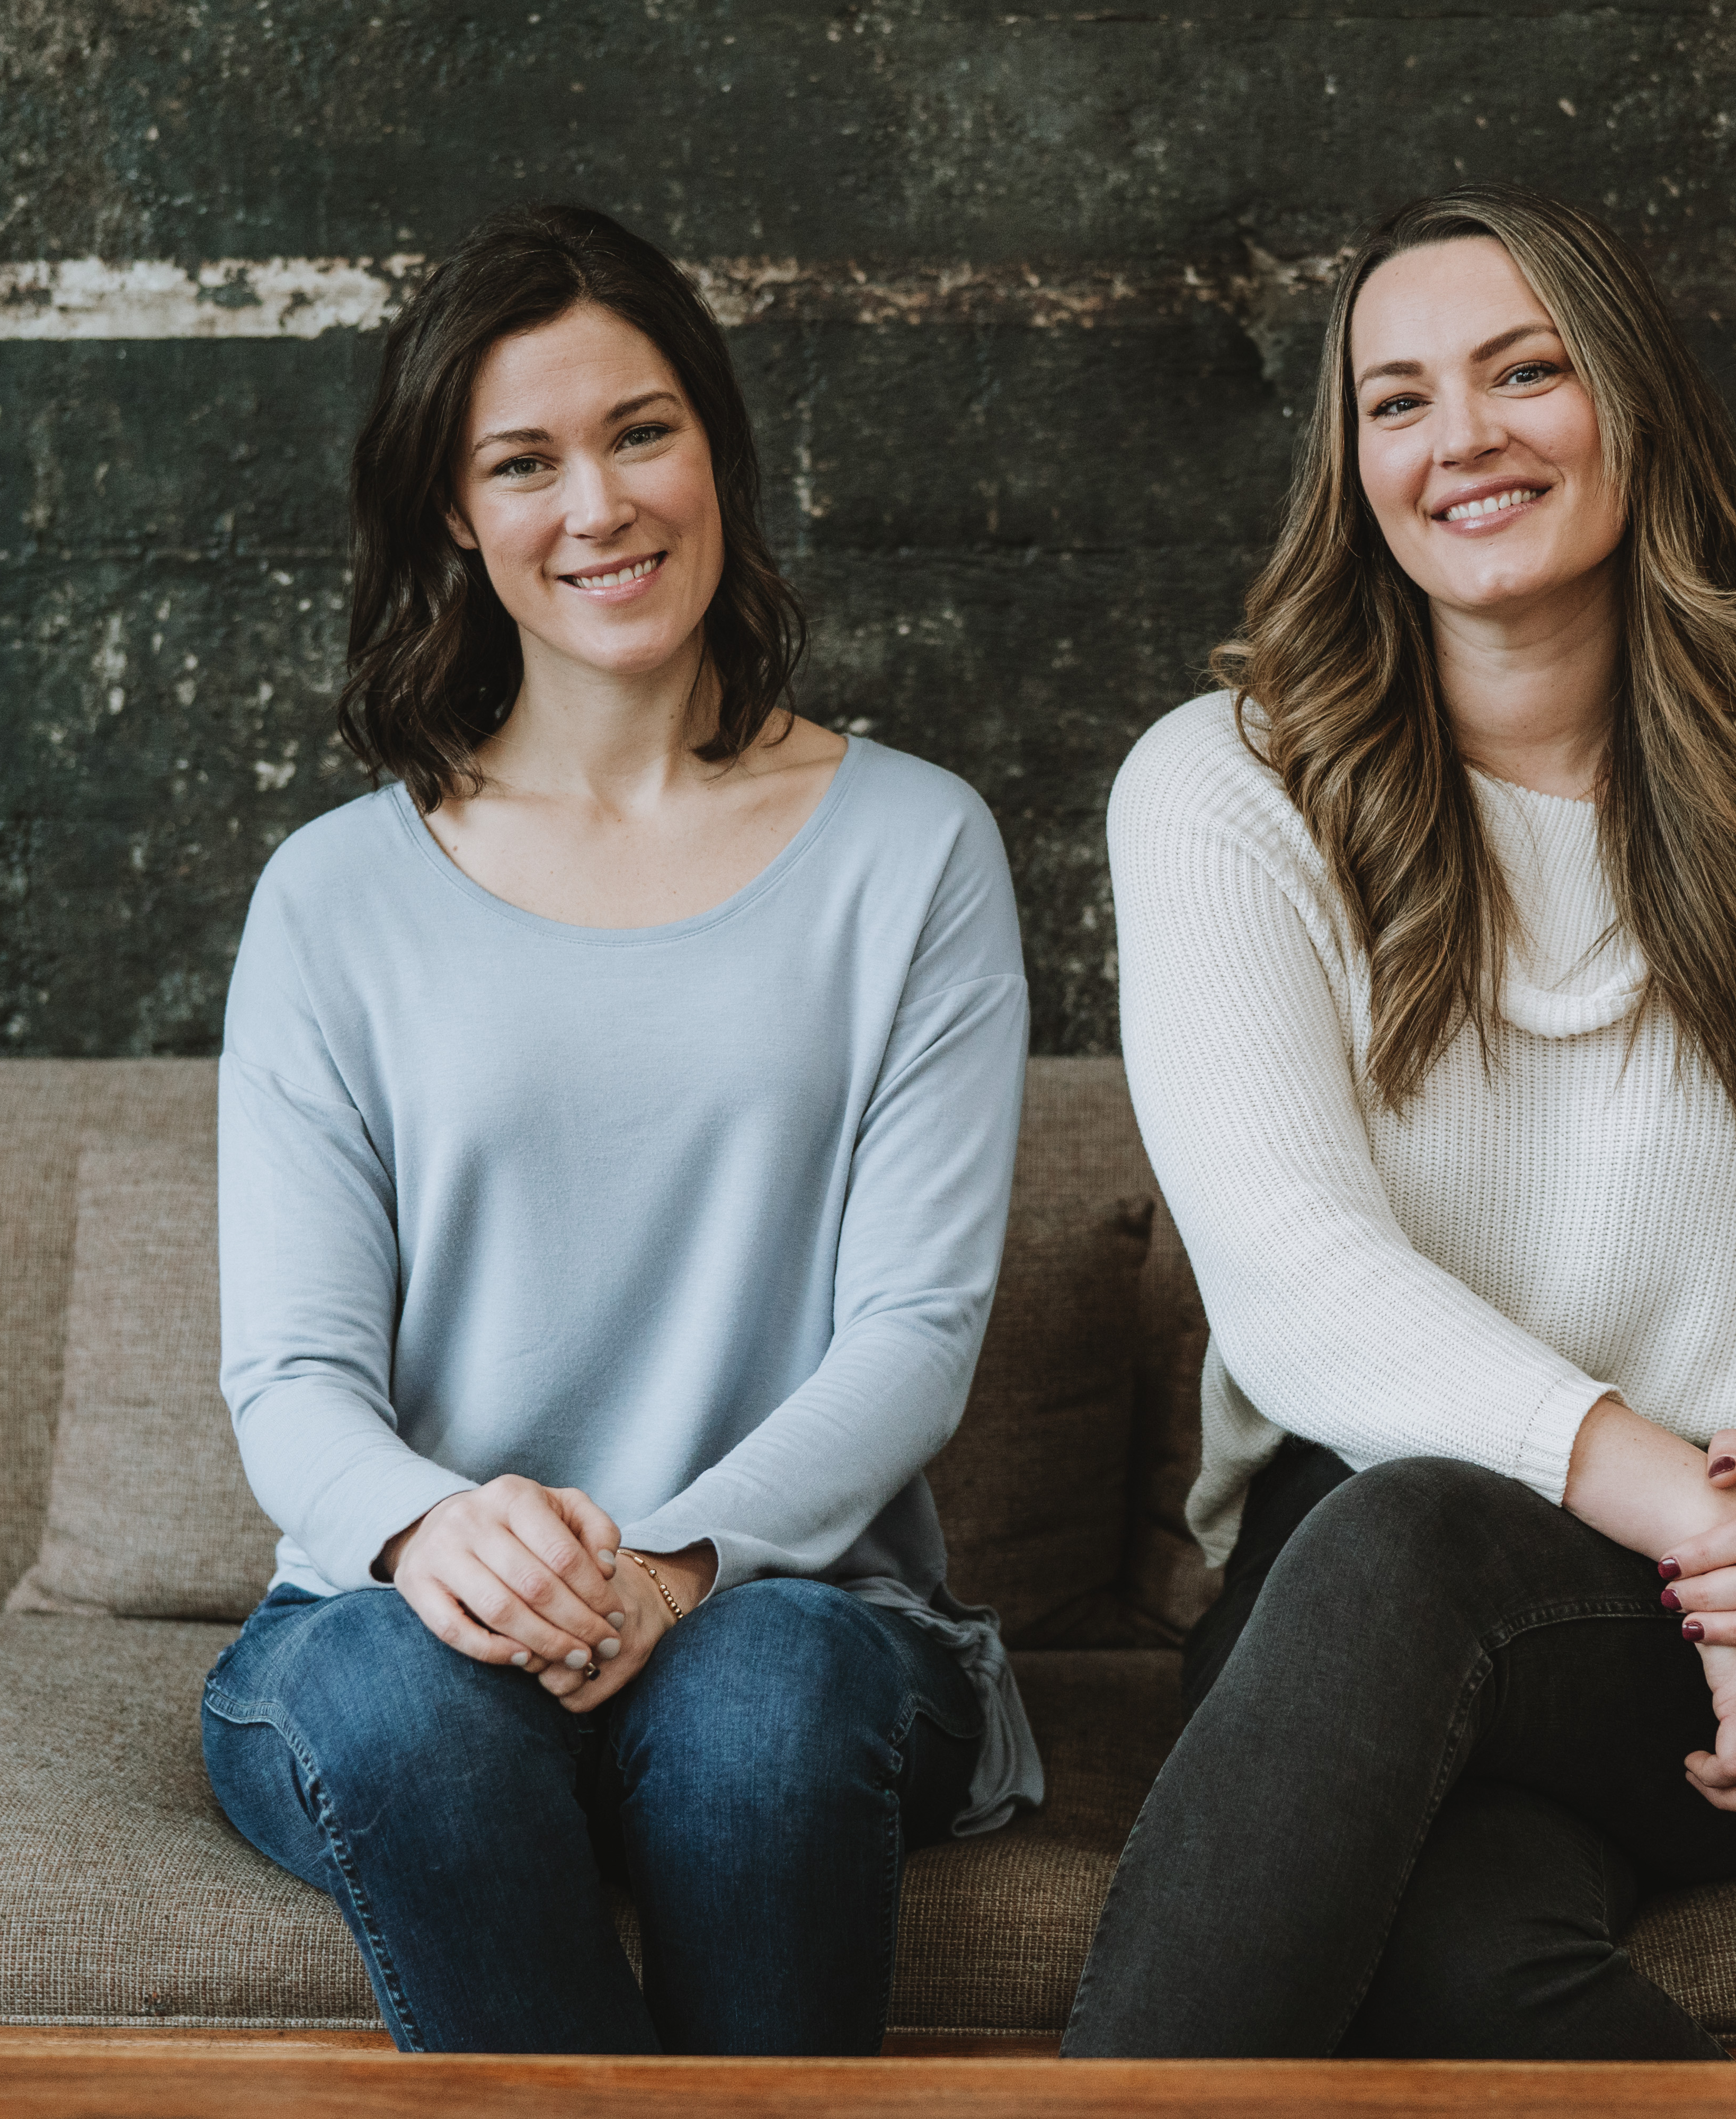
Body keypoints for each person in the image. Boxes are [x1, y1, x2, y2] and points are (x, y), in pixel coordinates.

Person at [1063, 183, 1736, 2061]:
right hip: (1390, 1601)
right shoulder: (1225, 793)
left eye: (1527, 373)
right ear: (1353, 466)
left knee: (1406, 1579)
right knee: (1459, 1941)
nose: (1466, 441)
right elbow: (1299, 1282)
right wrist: (1702, 1525)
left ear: (1634, 402)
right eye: (1400, 400)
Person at [197, 202, 1039, 2058]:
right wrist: (437, 1541)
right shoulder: (335, 897)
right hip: (409, 1634)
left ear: (717, 451)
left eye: (641, 433)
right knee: (406, 1700)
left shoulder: (914, 851)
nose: (599, 507)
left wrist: (668, 1572)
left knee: (759, 1701)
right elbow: (294, 1377)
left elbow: (913, 1337)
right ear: (455, 512)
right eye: (525, 461)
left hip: (792, 1622)